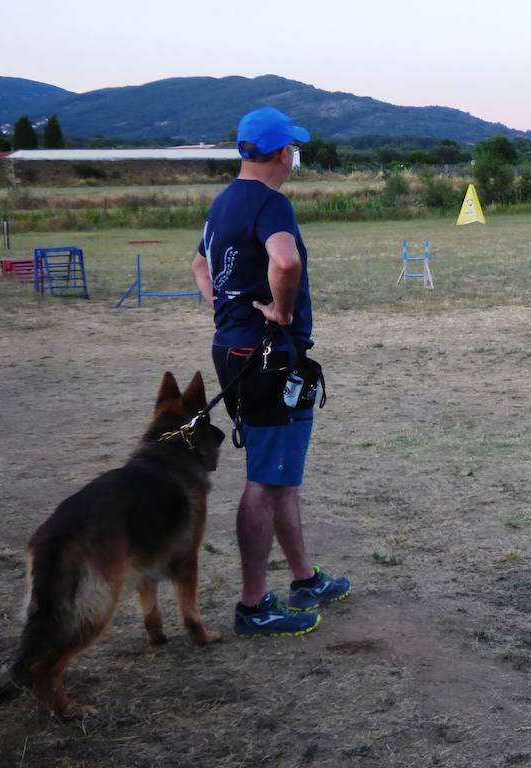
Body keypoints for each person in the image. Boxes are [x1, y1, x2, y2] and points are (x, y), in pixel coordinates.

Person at [190, 107, 351, 637]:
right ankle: (253, 604)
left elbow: (198, 264)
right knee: (264, 479)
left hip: (236, 350)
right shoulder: (270, 203)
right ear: (283, 153)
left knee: (279, 473)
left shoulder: (224, 202)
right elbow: (285, 262)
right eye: (294, 149)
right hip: (267, 356)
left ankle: (304, 579)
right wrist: (280, 312)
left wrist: (225, 309)